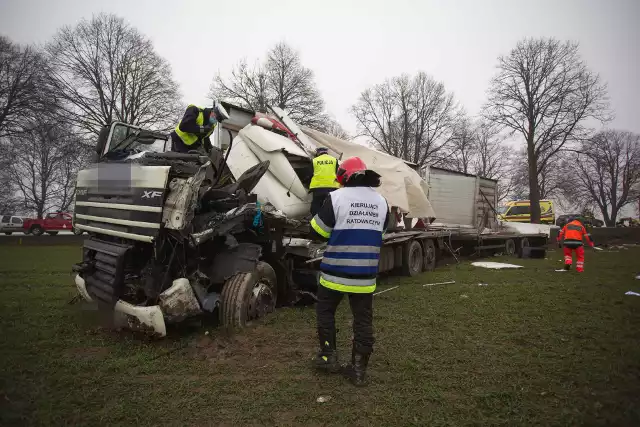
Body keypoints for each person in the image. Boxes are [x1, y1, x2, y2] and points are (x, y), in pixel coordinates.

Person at [309, 156, 389, 387]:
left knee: (326, 312)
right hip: (365, 277)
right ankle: (358, 371)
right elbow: (381, 234)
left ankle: (328, 357)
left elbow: (319, 231)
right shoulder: (382, 202)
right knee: (363, 320)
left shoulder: (336, 197)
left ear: (343, 176)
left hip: (334, 273)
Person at [309, 147, 340, 216]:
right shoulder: (334, 160)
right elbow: (339, 173)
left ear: (318, 153)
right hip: (332, 187)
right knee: (330, 205)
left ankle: (316, 221)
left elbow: (309, 174)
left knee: (316, 205)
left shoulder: (314, 160)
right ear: (326, 152)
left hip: (318, 187)